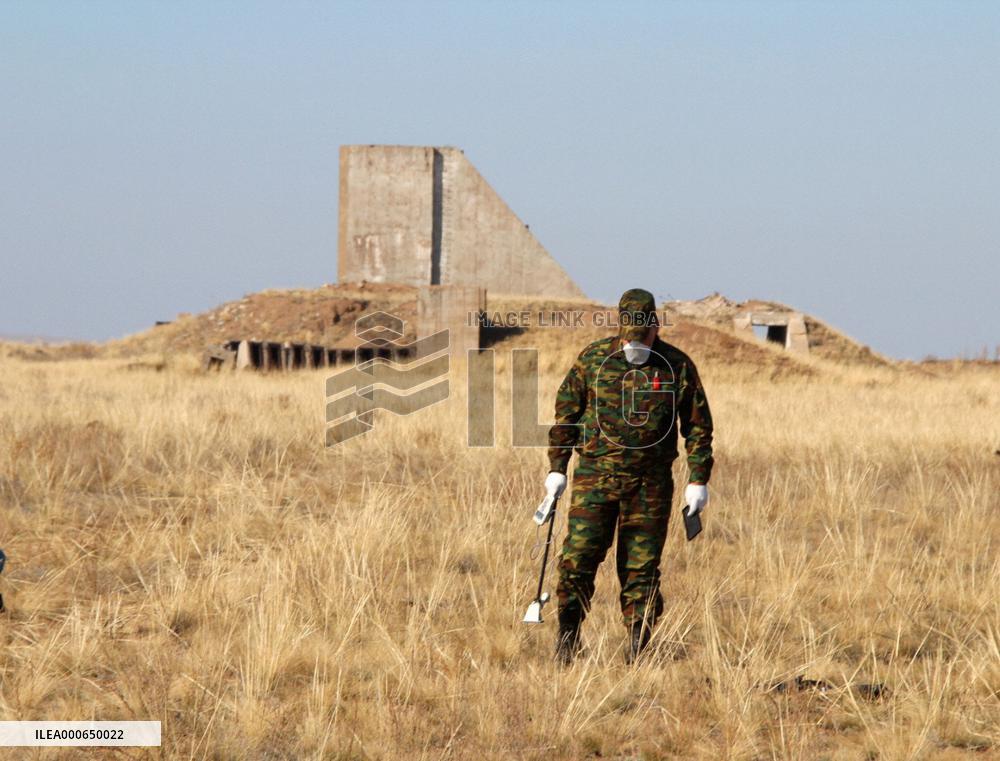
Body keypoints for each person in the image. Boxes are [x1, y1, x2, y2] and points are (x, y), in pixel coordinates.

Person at [545, 288, 714, 664]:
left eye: (643, 336)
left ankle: (638, 649)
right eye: (628, 338)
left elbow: (698, 428)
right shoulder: (592, 360)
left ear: (655, 325)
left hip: (649, 486)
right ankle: (568, 639)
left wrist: (697, 479)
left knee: (640, 569)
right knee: (578, 559)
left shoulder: (676, 366)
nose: (635, 344)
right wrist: (556, 469)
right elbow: (565, 417)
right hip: (594, 481)